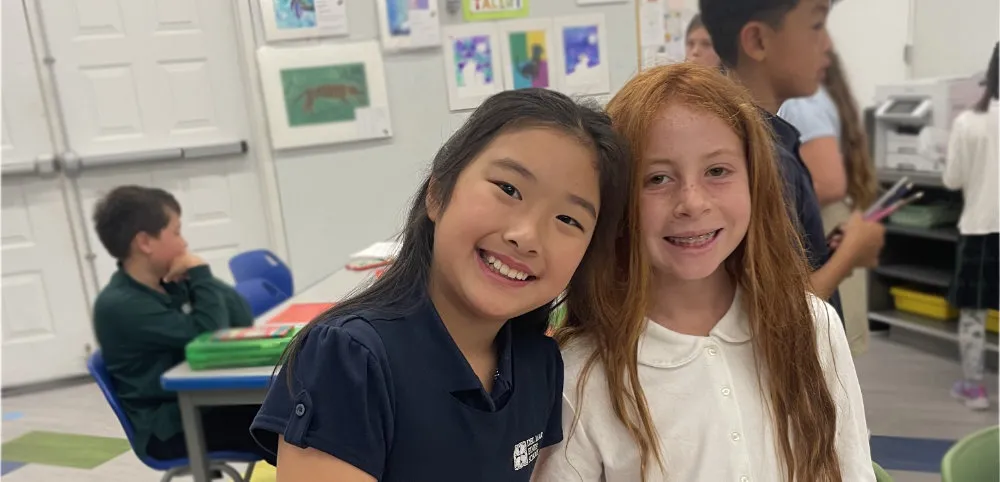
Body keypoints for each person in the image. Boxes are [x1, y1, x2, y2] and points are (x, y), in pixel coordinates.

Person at [250, 88, 638, 482]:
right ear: (438, 193)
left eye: (568, 220)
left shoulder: (538, 364)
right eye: (509, 189)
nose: (527, 236)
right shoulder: (349, 360)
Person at [535, 63, 874, 482]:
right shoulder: (580, 374)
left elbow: (852, 468)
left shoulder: (814, 326)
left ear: (755, 182)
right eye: (657, 178)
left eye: (717, 171)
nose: (692, 203)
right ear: (618, 200)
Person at [698, 0, 887, 318]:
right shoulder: (766, 157)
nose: (826, 44)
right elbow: (784, 309)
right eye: (816, 26)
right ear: (758, 41)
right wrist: (851, 252)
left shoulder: (747, 141)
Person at [92, 185, 261, 460]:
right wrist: (200, 274)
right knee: (291, 428)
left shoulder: (166, 285)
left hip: (201, 406)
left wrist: (198, 278)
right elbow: (212, 338)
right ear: (145, 243)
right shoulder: (122, 305)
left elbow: (240, 318)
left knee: (302, 413)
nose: (184, 244)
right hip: (168, 426)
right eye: (177, 232)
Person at [779, 48, 878, 355]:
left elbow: (830, 183)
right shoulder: (824, 97)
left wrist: (767, 206)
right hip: (835, 220)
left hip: (821, 224)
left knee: (823, 344)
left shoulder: (799, 103)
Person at [943, 42, 999, 411]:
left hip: (980, 228)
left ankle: (975, 387)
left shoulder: (968, 123)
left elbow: (951, 179)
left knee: (975, 314)